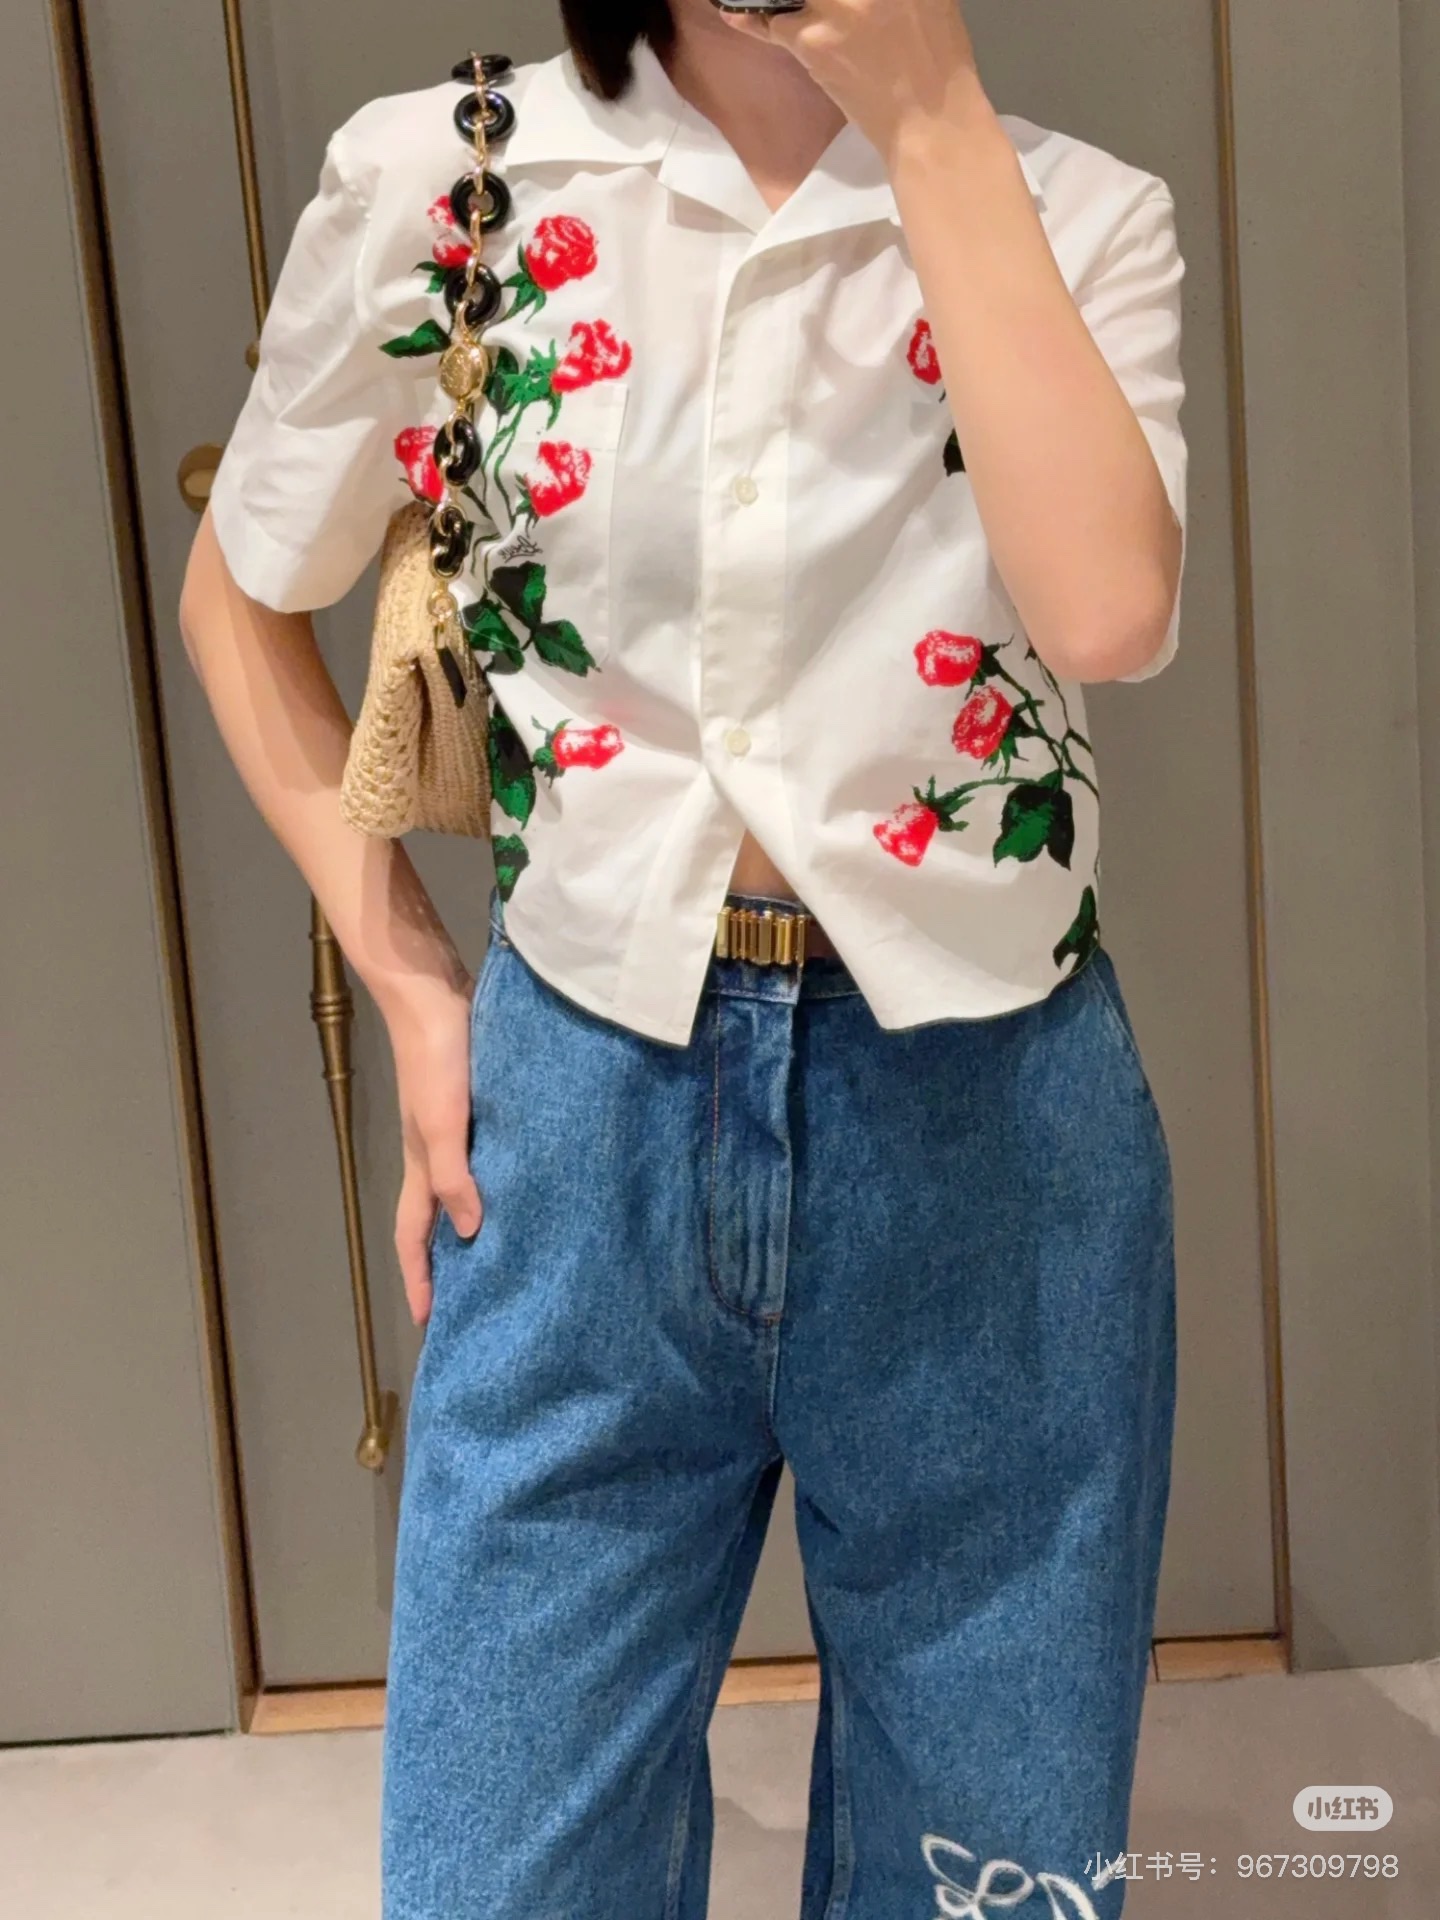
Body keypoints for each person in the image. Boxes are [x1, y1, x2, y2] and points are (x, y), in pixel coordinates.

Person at [179, 1, 1187, 1913]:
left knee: (986, 1876)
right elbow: (240, 593)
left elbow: (1110, 611)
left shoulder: (1074, 213)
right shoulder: (453, 176)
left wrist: (932, 113)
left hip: (993, 1137)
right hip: (580, 1109)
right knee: (502, 1872)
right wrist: (412, 984)